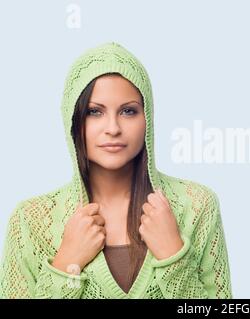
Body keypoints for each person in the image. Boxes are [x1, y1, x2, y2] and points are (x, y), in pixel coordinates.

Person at [0, 42, 233, 299]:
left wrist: (173, 258)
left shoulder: (197, 205)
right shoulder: (30, 220)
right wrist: (67, 265)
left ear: (148, 118)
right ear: (73, 119)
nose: (112, 127)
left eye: (128, 111)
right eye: (94, 112)